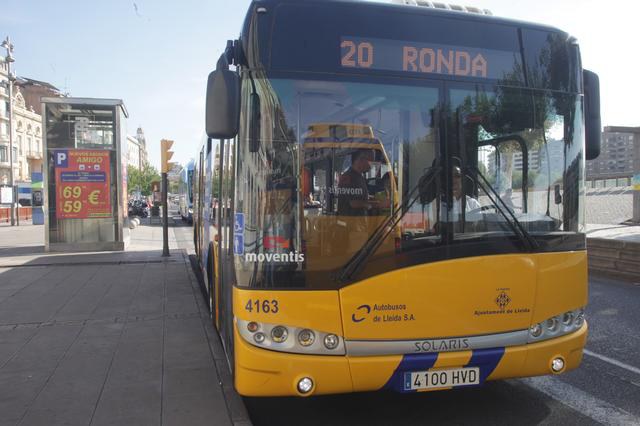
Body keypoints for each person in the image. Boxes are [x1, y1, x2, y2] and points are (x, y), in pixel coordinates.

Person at [336, 149, 380, 216]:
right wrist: (378, 204)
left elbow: (359, 197)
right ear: (361, 159)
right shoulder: (347, 177)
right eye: (371, 161)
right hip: (349, 221)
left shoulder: (359, 176)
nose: (372, 165)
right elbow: (353, 203)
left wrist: (375, 199)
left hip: (358, 221)